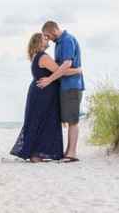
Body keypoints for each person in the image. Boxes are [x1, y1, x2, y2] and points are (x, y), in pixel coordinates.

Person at [10, 32, 82, 162]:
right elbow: (61, 71)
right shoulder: (43, 57)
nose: (47, 39)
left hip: (41, 93)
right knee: (43, 122)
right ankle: (35, 154)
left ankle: (35, 154)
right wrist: (78, 70)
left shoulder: (37, 56)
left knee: (40, 122)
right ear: (39, 42)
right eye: (44, 38)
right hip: (43, 94)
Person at [36, 20, 84, 163]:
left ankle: (72, 153)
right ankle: (68, 152)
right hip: (65, 86)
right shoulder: (59, 43)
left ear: (54, 31)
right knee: (69, 119)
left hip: (72, 86)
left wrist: (50, 79)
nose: (47, 39)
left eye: (47, 36)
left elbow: (67, 64)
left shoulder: (67, 40)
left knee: (73, 121)